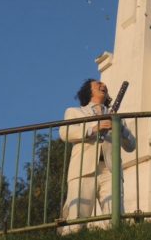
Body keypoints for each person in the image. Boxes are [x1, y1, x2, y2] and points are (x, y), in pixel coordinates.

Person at [59, 78, 136, 232]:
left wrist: (121, 128)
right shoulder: (75, 111)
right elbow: (65, 132)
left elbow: (131, 145)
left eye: (104, 85)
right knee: (77, 217)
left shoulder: (116, 117)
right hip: (83, 169)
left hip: (110, 169)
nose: (103, 86)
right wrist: (94, 129)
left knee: (115, 215)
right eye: (98, 84)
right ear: (89, 91)